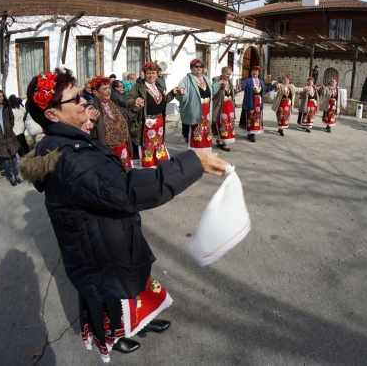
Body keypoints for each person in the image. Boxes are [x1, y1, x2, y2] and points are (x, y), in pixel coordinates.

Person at [18, 67, 228, 362]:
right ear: (52, 115)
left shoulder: (72, 140)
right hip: (97, 246)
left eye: (82, 93)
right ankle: (114, 336)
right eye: (75, 98)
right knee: (109, 296)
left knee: (132, 279)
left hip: (110, 235)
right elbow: (126, 190)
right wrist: (193, 163)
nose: (84, 100)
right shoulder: (70, 159)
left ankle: (139, 320)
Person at [127, 62, 179, 168]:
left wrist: (173, 93)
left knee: (159, 146)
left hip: (159, 122)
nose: (151, 76)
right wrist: (135, 101)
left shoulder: (158, 86)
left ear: (157, 74)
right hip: (147, 123)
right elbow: (127, 99)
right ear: (144, 74)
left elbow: (163, 101)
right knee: (148, 147)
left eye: (153, 73)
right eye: (148, 73)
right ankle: (149, 170)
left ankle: (160, 167)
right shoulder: (139, 86)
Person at [89, 76, 134, 171]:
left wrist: (136, 107)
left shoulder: (112, 103)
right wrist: (92, 123)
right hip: (108, 149)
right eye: (104, 89)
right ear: (95, 92)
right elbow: (89, 131)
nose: (108, 91)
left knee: (127, 174)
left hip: (122, 146)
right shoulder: (91, 108)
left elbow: (125, 116)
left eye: (109, 88)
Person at [177, 59, 215, 149]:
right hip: (195, 110)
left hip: (206, 110)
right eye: (196, 66)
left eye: (201, 66)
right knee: (195, 134)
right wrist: (182, 93)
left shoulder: (206, 78)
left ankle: (205, 152)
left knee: (205, 133)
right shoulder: (186, 80)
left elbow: (211, 91)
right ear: (191, 68)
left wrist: (218, 85)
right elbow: (181, 97)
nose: (199, 68)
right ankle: (194, 153)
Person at [0, 90, 22, 186]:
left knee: (14, 157)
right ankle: (10, 177)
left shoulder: (7, 107)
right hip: (0, 138)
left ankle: (17, 176)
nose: (2, 97)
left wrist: (10, 127)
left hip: (10, 135)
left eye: (2, 96)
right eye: (0, 96)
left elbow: (12, 118)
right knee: (5, 160)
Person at [239, 65, 277, 142]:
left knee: (256, 118)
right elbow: (242, 86)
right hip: (250, 102)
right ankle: (250, 133)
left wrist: (273, 86)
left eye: (256, 71)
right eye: (253, 71)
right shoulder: (247, 81)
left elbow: (266, 89)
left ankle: (253, 134)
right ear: (251, 72)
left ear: (258, 73)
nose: (255, 72)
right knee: (250, 118)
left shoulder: (261, 82)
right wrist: (239, 88)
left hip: (258, 103)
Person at [211, 66, 236, 150]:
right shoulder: (216, 80)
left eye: (229, 74)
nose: (228, 76)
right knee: (220, 123)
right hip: (220, 105)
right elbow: (213, 93)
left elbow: (231, 93)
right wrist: (220, 86)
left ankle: (223, 141)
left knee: (228, 123)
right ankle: (221, 142)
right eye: (227, 74)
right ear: (222, 72)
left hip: (229, 105)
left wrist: (236, 90)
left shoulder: (230, 81)